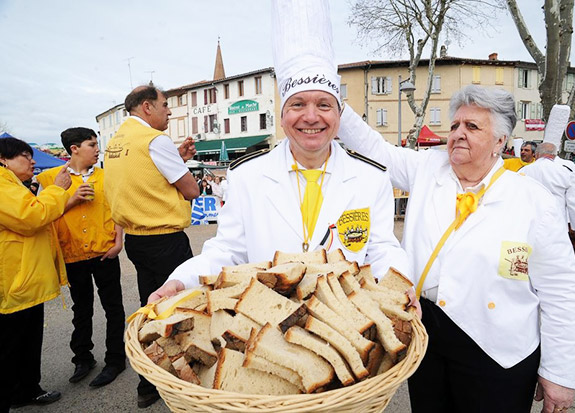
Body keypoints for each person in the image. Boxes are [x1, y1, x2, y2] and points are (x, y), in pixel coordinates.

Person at [337, 85, 575, 413]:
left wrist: (559, 375)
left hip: (498, 354)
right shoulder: (427, 168)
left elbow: (561, 291)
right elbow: (374, 147)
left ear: (500, 141)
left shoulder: (533, 200)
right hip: (428, 339)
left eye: (472, 127)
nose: (458, 134)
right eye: (454, 126)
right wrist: (327, 101)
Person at [148, 0, 409, 303]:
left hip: (346, 325)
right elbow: (227, 251)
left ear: (339, 117)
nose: (311, 117)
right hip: (268, 325)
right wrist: (182, 280)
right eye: (298, 105)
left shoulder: (370, 177)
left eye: (324, 105)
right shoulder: (246, 175)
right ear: (282, 118)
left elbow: (381, 249)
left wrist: (399, 284)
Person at [103, 85, 200, 408]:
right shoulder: (155, 141)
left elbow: (141, 179)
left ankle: (148, 383)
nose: (169, 111)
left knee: (151, 306)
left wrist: (179, 157)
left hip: (137, 239)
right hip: (165, 238)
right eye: (164, 105)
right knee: (182, 310)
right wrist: (182, 164)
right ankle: (184, 383)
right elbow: (191, 190)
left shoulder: (115, 142)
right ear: (146, 107)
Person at [37, 127, 126, 388]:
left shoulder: (106, 176)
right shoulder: (51, 178)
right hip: (73, 253)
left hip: (105, 251)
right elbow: (43, 213)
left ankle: (115, 359)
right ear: (74, 149)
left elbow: (117, 209)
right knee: (82, 309)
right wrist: (72, 199)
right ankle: (83, 358)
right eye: (91, 144)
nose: (97, 149)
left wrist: (119, 241)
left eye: (96, 144)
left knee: (114, 308)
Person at [0, 137, 72, 410]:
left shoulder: (12, 184)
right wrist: (58, 190)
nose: (32, 161)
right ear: (3, 159)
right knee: (11, 345)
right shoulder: (2, 184)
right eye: (24, 156)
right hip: (14, 281)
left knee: (28, 340)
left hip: (26, 279)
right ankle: (10, 395)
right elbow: (32, 217)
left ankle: (28, 389)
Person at [521, 142, 575, 242]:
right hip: (557, 224)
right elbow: (574, 203)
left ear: (537, 154)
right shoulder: (565, 172)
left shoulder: (524, 171)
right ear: (554, 155)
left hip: (529, 225)